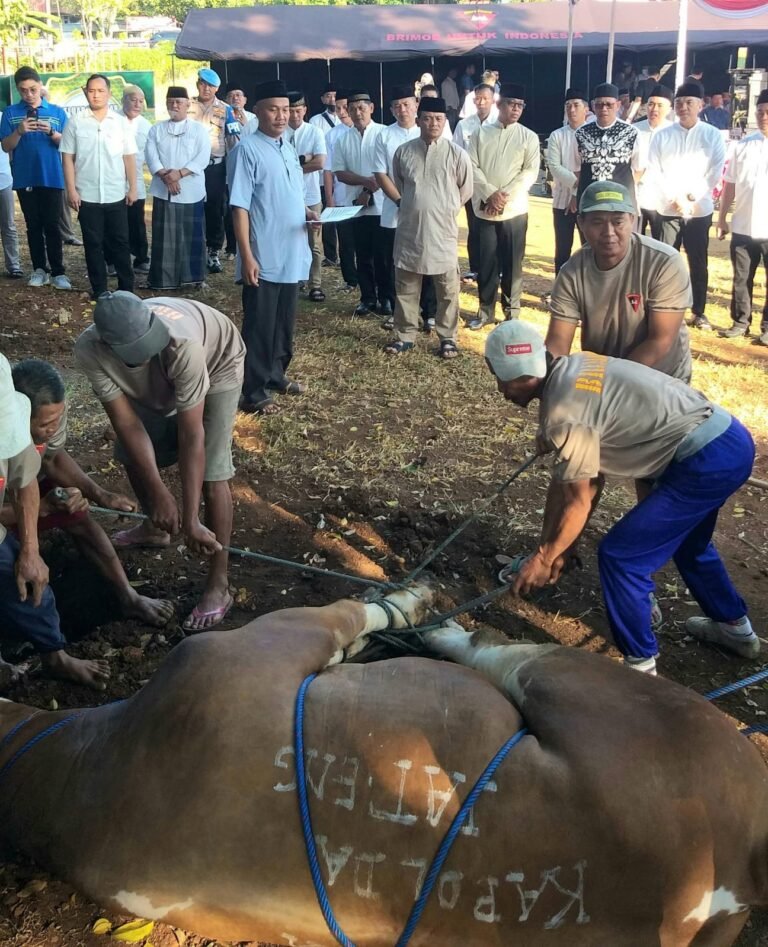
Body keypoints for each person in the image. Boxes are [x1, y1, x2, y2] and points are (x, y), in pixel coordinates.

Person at [485, 319, 759, 676]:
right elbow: (582, 479)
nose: (502, 391)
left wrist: (545, 557)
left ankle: (640, 670)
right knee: (690, 544)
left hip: (704, 460)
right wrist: (557, 549)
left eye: (502, 382)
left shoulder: (564, 413)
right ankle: (736, 630)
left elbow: (579, 500)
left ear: (523, 378)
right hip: (728, 438)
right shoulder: (573, 366)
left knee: (621, 556)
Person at [74, 292, 245, 632]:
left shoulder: (182, 345)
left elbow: (191, 434)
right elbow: (127, 425)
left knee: (213, 472)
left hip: (218, 358)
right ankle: (155, 529)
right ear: (108, 344)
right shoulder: (90, 350)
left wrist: (191, 517)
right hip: (154, 381)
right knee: (129, 453)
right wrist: (158, 493)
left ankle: (218, 583)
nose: (149, 350)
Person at [5, 358, 174, 627]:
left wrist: (100, 495)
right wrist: (43, 511)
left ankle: (128, 596)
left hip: (26, 485)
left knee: (80, 517)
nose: (52, 429)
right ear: (18, 415)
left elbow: (52, 459)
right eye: (45, 424)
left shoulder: (50, 415)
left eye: (57, 420)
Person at [0, 352, 109, 691]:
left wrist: (30, 552)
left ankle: (55, 656)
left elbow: (25, 482)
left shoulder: (11, 414)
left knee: (33, 588)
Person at [546, 180, 692, 382]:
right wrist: (541, 377)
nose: (608, 232)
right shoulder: (572, 272)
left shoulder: (665, 262)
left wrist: (609, 383)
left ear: (632, 220)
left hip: (662, 378)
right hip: (602, 375)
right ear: (581, 223)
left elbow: (660, 341)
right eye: (597, 222)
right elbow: (558, 343)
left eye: (617, 222)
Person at [228, 79, 315, 416]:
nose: (281, 116)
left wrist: (308, 213)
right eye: (273, 110)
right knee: (260, 324)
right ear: (257, 111)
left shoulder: (288, 147)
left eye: (286, 110)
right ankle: (253, 390)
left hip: (292, 250)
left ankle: (276, 375)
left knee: (283, 322)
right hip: (263, 253)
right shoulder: (247, 150)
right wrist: (247, 255)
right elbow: (240, 207)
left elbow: (288, 193)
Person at [381, 97, 472, 360]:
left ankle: (447, 338)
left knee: (447, 288)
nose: (433, 123)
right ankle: (405, 335)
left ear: (445, 122)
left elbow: (465, 191)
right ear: (419, 120)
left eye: (439, 119)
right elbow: (399, 183)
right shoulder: (404, 152)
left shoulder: (457, 154)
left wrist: (441, 207)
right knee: (407, 284)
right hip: (410, 228)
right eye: (428, 118)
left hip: (442, 231)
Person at [647, 81, 726, 331]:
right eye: (679, 103)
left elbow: (716, 170)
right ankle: (664, 307)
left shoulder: (711, 135)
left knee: (697, 260)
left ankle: (699, 311)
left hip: (698, 209)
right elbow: (654, 170)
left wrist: (691, 197)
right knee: (666, 259)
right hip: (668, 207)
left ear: (700, 105)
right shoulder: (662, 136)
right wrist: (675, 197)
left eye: (689, 102)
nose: (683, 107)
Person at [467, 82, 540, 329]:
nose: (516, 109)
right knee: (486, 262)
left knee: (512, 263)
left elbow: (530, 172)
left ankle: (512, 313)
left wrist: (502, 196)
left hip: (514, 211)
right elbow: (471, 167)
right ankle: (485, 311)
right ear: (499, 104)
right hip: (485, 210)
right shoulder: (480, 134)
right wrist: (489, 195)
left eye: (520, 105)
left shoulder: (528, 136)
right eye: (512, 104)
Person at [60, 74, 137, 300]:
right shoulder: (75, 122)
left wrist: (133, 187)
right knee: (93, 244)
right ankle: (100, 289)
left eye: (100, 90)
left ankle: (126, 290)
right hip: (88, 195)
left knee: (121, 242)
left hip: (115, 193)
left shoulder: (120, 122)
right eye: (92, 91)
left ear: (109, 93)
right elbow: (67, 158)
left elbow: (129, 157)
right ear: (86, 92)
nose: (96, 95)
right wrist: (71, 189)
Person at [0, 66, 70, 289]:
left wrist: (51, 132)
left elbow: (67, 145)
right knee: (33, 225)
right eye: (23, 91)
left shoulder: (57, 112)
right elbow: (5, 146)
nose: (29, 95)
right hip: (25, 177)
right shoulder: (11, 113)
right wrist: (19, 131)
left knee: (52, 224)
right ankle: (39, 269)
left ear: (40, 86)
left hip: (52, 176)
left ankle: (58, 271)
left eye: (32, 89)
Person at [145, 86, 211, 292]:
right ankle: (163, 280)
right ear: (166, 104)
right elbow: (151, 155)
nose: (175, 105)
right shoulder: (156, 129)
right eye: (171, 101)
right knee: (164, 236)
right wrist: (166, 175)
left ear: (187, 105)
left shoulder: (198, 129)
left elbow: (202, 157)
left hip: (191, 189)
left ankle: (192, 279)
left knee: (192, 235)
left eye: (179, 102)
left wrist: (179, 174)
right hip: (164, 189)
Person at [716, 89, 768, 342]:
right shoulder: (743, 146)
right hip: (743, 224)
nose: (764, 116)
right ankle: (740, 321)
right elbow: (730, 185)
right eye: (760, 112)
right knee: (742, 277)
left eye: (767, 112)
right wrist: (722, 217)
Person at [331, 90, 386, 317]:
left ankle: (387, 298)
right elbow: (340, 173)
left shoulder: (383, 134)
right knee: (362, 255)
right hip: (357, 206)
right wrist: (365, 182)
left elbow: (391, 170)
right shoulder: (343, 138)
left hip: (384, 205)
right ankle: (367, 298)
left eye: (361, 107)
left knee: (383, 256)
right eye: (352, 109)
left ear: (371, 108)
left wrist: (374, 185)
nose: (357, 112)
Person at [373, 85, 420, 328]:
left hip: (425, 210)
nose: (402, 110)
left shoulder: (428, 130)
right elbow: (380, 174)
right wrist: (401, 201)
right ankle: (397, 309)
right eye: (397, 106)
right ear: (391, 110)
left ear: (416, 105)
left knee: (425, 258)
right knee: (395, 261)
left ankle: (427, 310)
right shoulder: (384, 135)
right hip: (394, 208)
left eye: (407, 104)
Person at [188, 68, 240, 275]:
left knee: (215, 209)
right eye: (202, 83)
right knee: (193, 207)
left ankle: (213, 251)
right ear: (197, 84)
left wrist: (233, 169)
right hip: (190, 168)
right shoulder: (188, 106)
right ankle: (193, 249)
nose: (206, 88)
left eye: (210, 85)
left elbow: (234, 140)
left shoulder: (226, 110)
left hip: (215, 166)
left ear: (217, 88)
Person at [453, 83, 498, 283]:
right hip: (471, 185)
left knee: (496, 228)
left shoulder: (499, 123)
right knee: (474, 227)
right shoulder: (464, 125)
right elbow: (456, 154)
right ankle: (475, 268)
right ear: (473, 100)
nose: (481, 102)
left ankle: (498, 268)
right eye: (477, 98)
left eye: (485, 98)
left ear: (493, 100)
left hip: (494, 184)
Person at [575, 83, 643, 211]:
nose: (604, 109)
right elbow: (576, 168)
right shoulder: (580, 133)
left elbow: (639, 169)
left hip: (621, 203)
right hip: (590, 202)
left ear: (617, 105)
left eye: (609, 105)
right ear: (593, 106)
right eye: (599, 105)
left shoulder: (632, 133)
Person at [287, 91, 327, 303]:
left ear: (305, 110)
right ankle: (295, 279)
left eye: (298, 110)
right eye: (290, 110)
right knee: (290, 238)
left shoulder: (314, 132)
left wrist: (291, 167)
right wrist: (304, 159)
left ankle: (316, 284)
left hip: (310, 194)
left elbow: (320, 163)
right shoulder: (280, 133)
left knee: (314, 242)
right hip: (286, 195)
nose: (294, 115)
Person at [545, 88, 588, 276]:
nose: (572, 110)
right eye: (568, 106)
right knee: (562, 249)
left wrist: (577, 194)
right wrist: (575, 186)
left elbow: (591, 168)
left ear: (586, 109)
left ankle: (588, 289)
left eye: (576, 105)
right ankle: (560, 289)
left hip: (587, 202)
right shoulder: (557, 135)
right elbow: (554, 166)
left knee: (589, 248)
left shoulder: (592, 134)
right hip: (561, 201)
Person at [323, 90, 357, 292]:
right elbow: (327, 170)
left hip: (365, 197)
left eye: (346, 108)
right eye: (338, 109)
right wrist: (329, 198)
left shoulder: (371, 131)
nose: (343, 112)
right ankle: (350, 280)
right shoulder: (332, 135)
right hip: (341, 194)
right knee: (345, 241)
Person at [117, 85, 151, 276]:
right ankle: (113, 259)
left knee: (136, 221)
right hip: (113, 180)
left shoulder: (146, 126)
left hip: (135, 180)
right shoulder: (112, 120)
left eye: (140, 101)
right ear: (123, 100)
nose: (137, 104)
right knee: (115, 222)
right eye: (132, 99)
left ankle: (141, 258)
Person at [633, 85, 674, 237]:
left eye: (659, 105)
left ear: (669, 109)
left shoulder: (674, 132)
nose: (654, 109)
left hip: (662, 199)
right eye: (651, 104)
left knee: (661, 245)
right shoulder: (634, 130)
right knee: (634, 243)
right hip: (636, 197)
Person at [309, 82, 341, 267]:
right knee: (326, 216)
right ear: (322, 99)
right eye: (328, 95)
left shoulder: (345, 119)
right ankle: (330, 255)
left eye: (334, 95)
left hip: (342, 176)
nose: (332, 99)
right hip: (322, 177)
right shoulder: (316, 121)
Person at [0, 113, 22, 281]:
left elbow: (12, 147)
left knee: (8, 225)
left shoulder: (3, 117)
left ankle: (14, 265)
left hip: (3, 179)